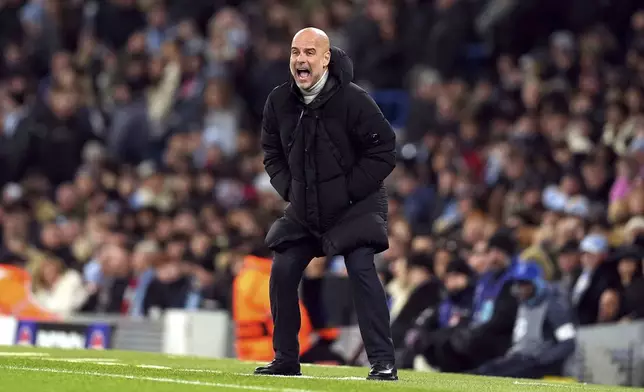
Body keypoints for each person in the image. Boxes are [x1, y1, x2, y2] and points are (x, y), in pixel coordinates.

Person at [256, 27, 398, 380]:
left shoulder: (354, 99)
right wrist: (290, 189)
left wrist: (348, 190)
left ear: (326, 59)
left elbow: (384, 150)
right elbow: (271, 152)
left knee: (362, 268)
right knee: (283, 269)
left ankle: (383, 362)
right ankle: (286, 359)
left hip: (357, 204)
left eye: (308, 52)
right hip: (306, 205)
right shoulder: (278, 101)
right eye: (294, 52)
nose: (300, 59)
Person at [469, 262, 577, 379]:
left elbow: (568, 342)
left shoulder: (554, 307)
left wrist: (542, 359)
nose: (520, 288)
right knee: (484, 371)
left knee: (497, 377)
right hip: (518, 358)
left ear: (536, 283)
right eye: (518, 284)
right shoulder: (523, 304)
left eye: (525, 284)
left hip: (537, 363)